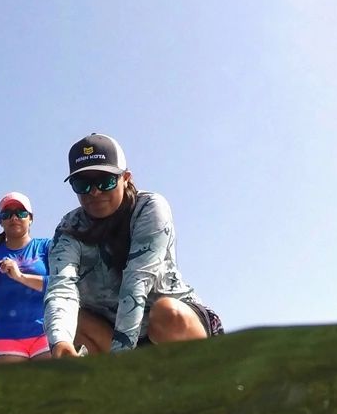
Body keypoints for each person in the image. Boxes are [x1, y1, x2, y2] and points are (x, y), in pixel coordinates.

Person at [44, 134, 223, 357]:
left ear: (126, 177)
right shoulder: (69, 227)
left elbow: (136, 283)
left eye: (105, 181)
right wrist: (60, 343)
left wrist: (123, 364)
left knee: (168, 313)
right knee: (75, 321)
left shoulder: (150, 208)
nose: (94, 192)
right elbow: (61, 288)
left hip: (168, 325)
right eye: (83, 184)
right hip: (111, 332)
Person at [0, 192, 52, 363]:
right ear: (1, 221)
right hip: (7, 338)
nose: (14, 218)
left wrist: (20, 276)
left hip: (46, 333)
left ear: (31, 219)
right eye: (7, 214)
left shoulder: (46, 246)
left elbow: (60, 285)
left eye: (21, 213)